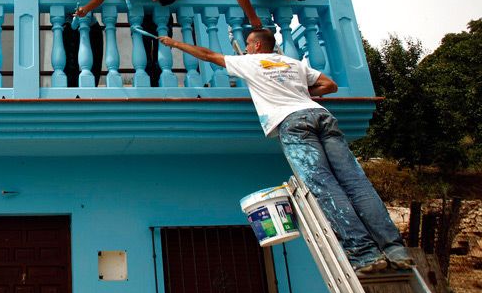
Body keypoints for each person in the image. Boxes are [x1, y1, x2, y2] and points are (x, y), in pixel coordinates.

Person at [159, 28, 413, 274]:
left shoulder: (251, 62)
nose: (246, 48)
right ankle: (395, 249)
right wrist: (300, 92)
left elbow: (208, 55)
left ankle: (364, 253)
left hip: (293, 123)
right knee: (356, 183)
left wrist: (176, 43)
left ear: (257, 45)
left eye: (248, 43)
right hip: (321, 115)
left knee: (325, 186)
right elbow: (329, 85)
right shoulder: (292, 63)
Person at [115, 0, 191, 86]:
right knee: (144, 55)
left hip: (163, 17)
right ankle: (148, 84)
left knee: (163, 50)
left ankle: (161, 83)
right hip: (142, 16)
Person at [40, 0, 107, 87]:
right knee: (69, 66)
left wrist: (86, 9)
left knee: (94, 61)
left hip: (88, 23)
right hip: (68, 25)